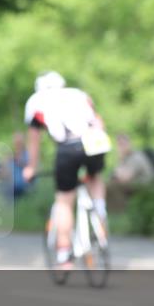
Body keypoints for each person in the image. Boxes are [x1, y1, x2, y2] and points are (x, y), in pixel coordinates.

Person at [22, 71, 110, 268]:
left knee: (64, 200)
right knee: (94, 176)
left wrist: (31, 167)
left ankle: (63, 253)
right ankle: (100, 212)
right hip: (95, 141)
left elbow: (34, 141)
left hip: (68, 147)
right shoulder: (78, 94)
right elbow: (97, 120)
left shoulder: (36, 101)